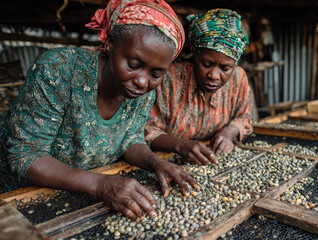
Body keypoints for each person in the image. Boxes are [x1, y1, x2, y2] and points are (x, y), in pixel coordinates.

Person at [0, 0, 199, 221]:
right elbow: (26, 155)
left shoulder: (143, 93)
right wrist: (99, 183)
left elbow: (130, 140)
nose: (143, 81)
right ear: (111, 43)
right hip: (18, 196)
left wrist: (157, 163)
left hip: (75, 194)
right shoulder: (59, 69)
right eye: (133, 65)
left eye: (156, 74)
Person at [145, 8, 253, 165]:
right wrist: (180, 145)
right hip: (167, 161)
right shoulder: (169, 79)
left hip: (214, 157)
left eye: (225, 68)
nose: (214, 75)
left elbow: (245, 117)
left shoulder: (238, 78)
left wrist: (228, 133)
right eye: (207, 64)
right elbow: (147, 130)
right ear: (194, 52)